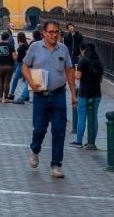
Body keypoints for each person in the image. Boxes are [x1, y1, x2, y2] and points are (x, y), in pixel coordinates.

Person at [23, 19, 77, 179]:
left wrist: (73, 94)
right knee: (39, 129)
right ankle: (35, 149)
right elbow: (25, 66)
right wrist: (31, 83)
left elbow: (69, 71)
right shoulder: (35, 47)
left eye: (57, 32)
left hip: (59, 95)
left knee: (59, 131)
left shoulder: (63, 49)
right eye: (51, 32)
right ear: (44, 33)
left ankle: (56, 164)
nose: (55, 35)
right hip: (40, 95)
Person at [72, 41, 104, 147]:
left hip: (84, 92)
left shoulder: (83, 61)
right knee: (94, 117)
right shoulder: (98, 61)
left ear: (84, 50)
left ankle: (79, 141)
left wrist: (74, 71)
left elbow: (77, 76)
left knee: (82, 116)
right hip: (96, 93)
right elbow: (101, 80)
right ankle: (91, 141)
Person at [0, 31, 16, 103]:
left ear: (1, 37)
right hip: (10, 66)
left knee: (1, 82)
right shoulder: (11, 46)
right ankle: (6, 98)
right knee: (7, 82)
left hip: (1, 66)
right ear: (8, 38)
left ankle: (0, 97)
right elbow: (14, 57)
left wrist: (1, 57)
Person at [9, 31, 30, 102]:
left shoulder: (25, 46)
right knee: (23, 80)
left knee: (16, 79)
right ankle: (26, 96)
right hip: (21, 64)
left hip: (22, 65)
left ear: (19, 38)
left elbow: (28, 55)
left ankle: (12, 94)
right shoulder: (23, 45)